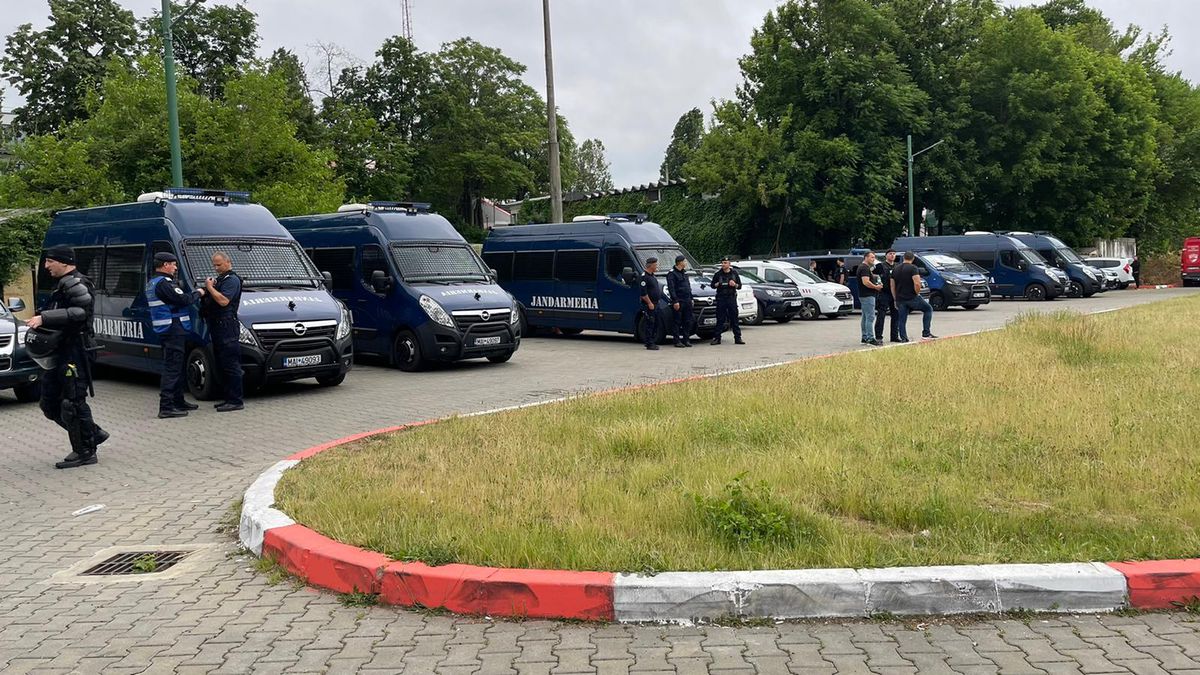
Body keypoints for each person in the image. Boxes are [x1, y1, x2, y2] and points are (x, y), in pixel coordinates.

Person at [26, 245, 108, 469]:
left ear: (64, 261)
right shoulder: (62, 284)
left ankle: (85, 450)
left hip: (75, 351)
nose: (46, 266)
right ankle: (93, 432)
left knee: (72, 402)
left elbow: (81, 312)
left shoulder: (76, 283)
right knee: (49, 404)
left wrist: (45, 317)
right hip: (60, 351)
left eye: (50, 261)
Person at [148, 252, 203, 418]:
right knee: (172, 368)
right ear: (165, 265)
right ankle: (166, 407)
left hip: (168, 329)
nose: (175, 267)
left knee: (176, 366)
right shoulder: (165, 283)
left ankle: (178, 402)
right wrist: (199, 292)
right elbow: (183, 300)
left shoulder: (153, 282)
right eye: (173, 264)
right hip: (173, 330)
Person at [202, 252, 244, 412]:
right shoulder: (222, 280)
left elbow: (223, 301)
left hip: (227, 326)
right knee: (223, 364)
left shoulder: (232, 280)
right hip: (219, 326)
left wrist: (210, 288)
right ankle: (228, 397)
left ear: (228, 262)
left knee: (231, 364)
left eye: (219, 264)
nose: (216, 268)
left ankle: (236, 400)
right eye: (214, 265)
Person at [891, 251, 938, 342]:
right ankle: (926, 333)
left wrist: (895, 298)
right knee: (928, 309)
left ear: (904, 258)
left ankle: (904, 338)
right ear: (913, 259)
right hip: (911, 297)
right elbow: (917, 283)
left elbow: (892, 285)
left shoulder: (895, 269)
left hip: (900, 298)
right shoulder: (913, 268)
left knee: (902, 319)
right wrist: (916, 293)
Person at [709, 257, 745, 345]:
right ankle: (717, 338)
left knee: (734, 318)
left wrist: (735, 284)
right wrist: (717, 284)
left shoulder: (734, 273)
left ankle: (738, 338)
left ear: (729, 264)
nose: (723, 264)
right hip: (721, 298)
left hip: (731, 298)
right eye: (722, 263)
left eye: (725, 263)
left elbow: (740, 286)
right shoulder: (718, 274)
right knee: (720, 319)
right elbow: (712, 285)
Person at [665, 255, 694, 348]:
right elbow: (671, 288)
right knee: (677, 321)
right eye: (685, 261)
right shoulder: (672, 274)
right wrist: (675, 301)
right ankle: (677, 341)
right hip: (679, 300)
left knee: (687, 321)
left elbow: (688, 287)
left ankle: (686, 340)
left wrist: (691, 298)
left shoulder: (684, 273)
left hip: (687, 300)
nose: (686, 263)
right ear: (680, 262)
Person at [856, 251, 882, 345]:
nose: (873, 259)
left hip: (864, 295)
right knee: (870, 317)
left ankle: (864, 337)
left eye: (874, 257)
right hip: (867, 295)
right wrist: (876, 287)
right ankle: (870, 338)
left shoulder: (864, 267)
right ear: (866, 257)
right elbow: (865, 282)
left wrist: (875, 279)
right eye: (871, 257)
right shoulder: (864, 268)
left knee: (865, 317)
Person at [874, 250, 900, 343]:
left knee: (896, 315)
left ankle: (894, 336)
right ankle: (878, 337)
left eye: (894, 254)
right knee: (881, 315)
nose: (892, 255)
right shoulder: (880, 266)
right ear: (886, 256)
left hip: (894, 293)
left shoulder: (898, 266)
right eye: (890, 254)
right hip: (884, 293)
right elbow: (873, 275)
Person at [639, 257, 662, 351]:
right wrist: (649, 303)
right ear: (651, 265)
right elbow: (643, 293)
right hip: (649, 304)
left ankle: (651, 340)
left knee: (655, 323)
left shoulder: (652, 276)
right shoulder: (644, 277)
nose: (657, 266)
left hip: (655, 303)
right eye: (656, 264)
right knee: (650, 323)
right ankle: (649, 343)